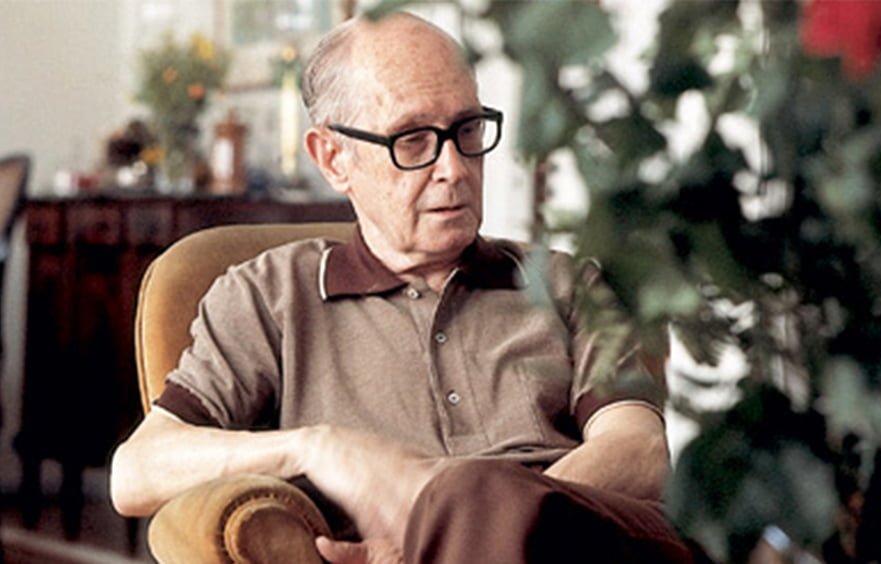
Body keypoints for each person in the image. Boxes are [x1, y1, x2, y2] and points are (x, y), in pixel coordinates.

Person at [110, 11, 697, 563]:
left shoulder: (567, 283)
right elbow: (135, 473)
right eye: (412, 139)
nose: (454, 168)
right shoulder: (270, 296)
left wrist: (458, 529)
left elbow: (639, 451)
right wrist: (315, 447)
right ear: (333, 158)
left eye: (468, 129)